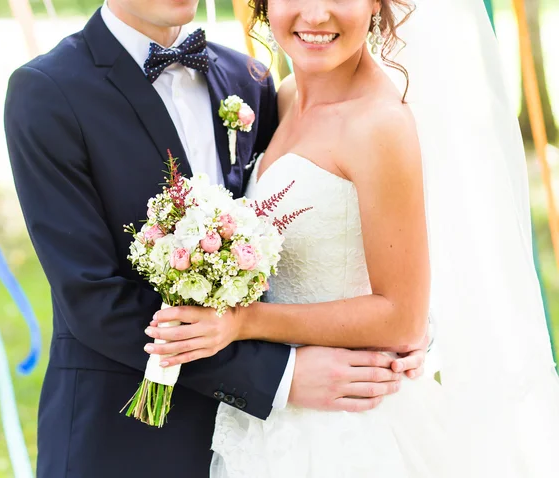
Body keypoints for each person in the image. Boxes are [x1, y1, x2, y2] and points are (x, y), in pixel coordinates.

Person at [3, 0, 426, 476]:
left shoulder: (249, 81)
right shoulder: (48, 92)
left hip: (266, 441)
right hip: (122, 437)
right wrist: (279, 376)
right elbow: (93, 301)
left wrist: (399, 333)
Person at [146, 0, 559, 476]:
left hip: (351, 427)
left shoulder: (378, 124)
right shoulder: (282, 97)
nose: (316, 16)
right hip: (276, 421)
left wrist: (243, 322)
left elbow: (401, 319)